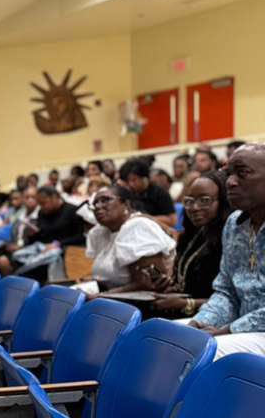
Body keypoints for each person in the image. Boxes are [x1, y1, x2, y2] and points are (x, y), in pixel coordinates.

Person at [190, 144, 265, 357]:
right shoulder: (234, 223)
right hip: (240, 327)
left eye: (242, 173)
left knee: (204, 352)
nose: (230, 182)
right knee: (168, 338)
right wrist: (199, 322)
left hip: (248, 330)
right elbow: (226, 291)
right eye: (229, 173)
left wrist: (226, 331)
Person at [152, 170, 230, 318]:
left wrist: (187, 303)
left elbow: (233, 300)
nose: (194, 207)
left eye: (204, 200)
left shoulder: (231, 238)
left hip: (214, 318)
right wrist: (172, 286)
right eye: (189, 201)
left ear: (223, 201)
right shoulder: (191, 235)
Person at [85, 184, 176, 292]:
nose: (98, 206)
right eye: (95, 203)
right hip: (112, 296)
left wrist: (101, 295)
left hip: (144, 299)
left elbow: (147, 284)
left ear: (126, 204)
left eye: (105, 200)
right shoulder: (100, 232)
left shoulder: (138, 227)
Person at [0, 186, 86, 277]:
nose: (42, 207)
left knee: (46, 257)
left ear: (55, 198)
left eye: (44, 203)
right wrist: (32, 235)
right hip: (40, 249)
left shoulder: (72, 211)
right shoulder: (42, 212)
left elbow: (80, 237)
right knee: (11, 255)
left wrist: (58, 244)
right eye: (40, 204)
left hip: (62, 251)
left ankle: (19, 274)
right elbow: (42, 237)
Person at [119, 157, 177, 233]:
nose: (130, 184)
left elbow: (172, 220)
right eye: (127, 181)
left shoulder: (160, 192)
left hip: (158, 232)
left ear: (144, 177)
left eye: (134, 180)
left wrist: (144, 218)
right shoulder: (129, 193)